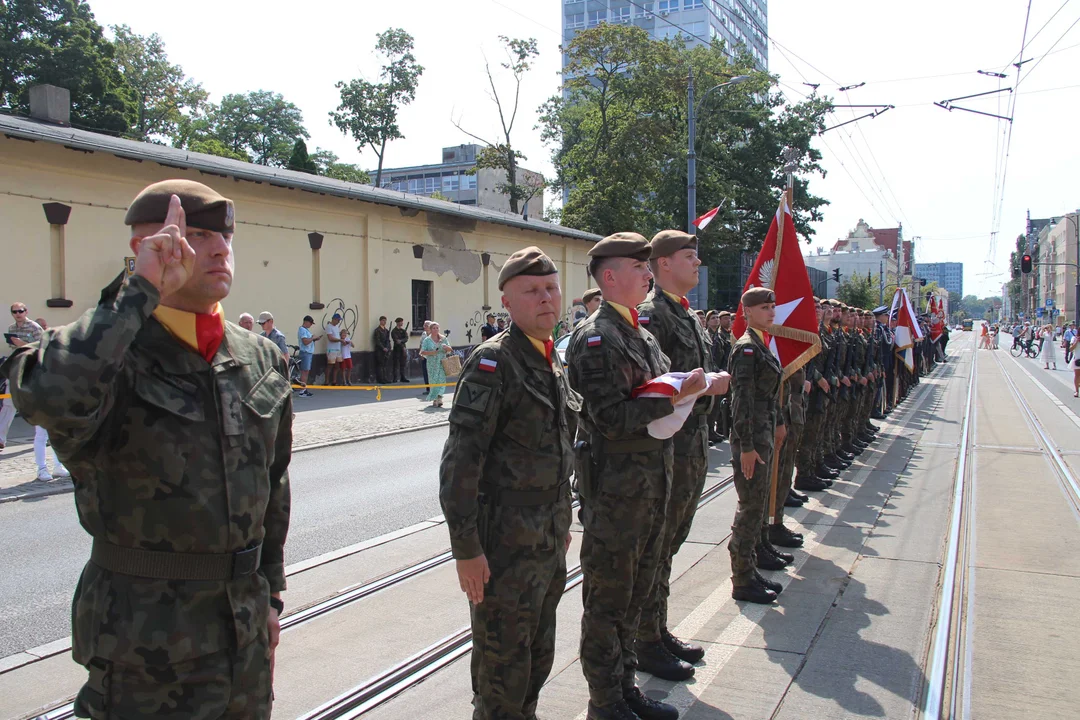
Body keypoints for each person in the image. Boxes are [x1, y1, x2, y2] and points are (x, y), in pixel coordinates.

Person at [1, 180, 291, 719]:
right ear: (146, 247)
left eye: (226, 235)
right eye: (198, 235)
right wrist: (137, 292)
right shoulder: (108, 350)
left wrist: (270, 593)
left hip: (243, 633)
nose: (220, 248)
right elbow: (48, 396)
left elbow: (273, 483)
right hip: (146, 647)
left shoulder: (262, 358)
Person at [568, 232, 719, 720]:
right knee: (609, 601)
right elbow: (609, 415)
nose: (648, 275)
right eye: (639, 269)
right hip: (616, 489)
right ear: (610, 276)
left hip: (653, 482)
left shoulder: (642, 333)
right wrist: (675, 396)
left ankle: (626, 686)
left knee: (636, 592)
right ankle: (605, 700)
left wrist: (689, 389)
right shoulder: (596, 337)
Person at [440, 247, 578, 720]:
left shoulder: (550, 359)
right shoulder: (493, 363)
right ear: (507, 302)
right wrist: (465, 549)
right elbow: (459, 466)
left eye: (551, 288)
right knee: (503, 670)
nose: (546, 299)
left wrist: (562, 521)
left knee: (539, 657)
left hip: (546, 536)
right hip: (502, 544)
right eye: (532, 291)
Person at [635, 230, 730, 683]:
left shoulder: (686, 316)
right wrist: (708, 385)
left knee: (670, 544)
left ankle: (657, 627)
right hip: (669, 446)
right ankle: (645, 639)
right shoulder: (653, 316)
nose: (697, 264)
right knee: (656, 546)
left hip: (693, 444)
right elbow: (658, 385)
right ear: (663, 264)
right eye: (689, 257)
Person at [728, 287, 786, 605]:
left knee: (758, 505)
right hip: (751, 441)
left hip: (762, 436)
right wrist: (747, 446)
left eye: (772, 307)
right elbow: (742, 401)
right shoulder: (747, 349)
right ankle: (741, 578)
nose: (771, 312)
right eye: (764, 307)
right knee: (749, 508)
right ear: (747, 311)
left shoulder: (763, 344)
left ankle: (749, 568)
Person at [420, 322, 453, 407]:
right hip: (432, 364)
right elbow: (422, 352)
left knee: (441, 380)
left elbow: (450, 349)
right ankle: (435, 398)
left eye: (437, 328)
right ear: (430, 329)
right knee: (434, 381)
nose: (436, 330)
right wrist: (432, 352)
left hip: (441, 362)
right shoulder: (427, 340)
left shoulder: (443, 338)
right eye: (434, 328)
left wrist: (447, 348)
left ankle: (440, 398)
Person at [297, 315, 320, 397]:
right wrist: (313, 338)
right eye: (310, 323)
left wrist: (314, 338)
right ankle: (302, 390)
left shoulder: (306, 330)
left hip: (308, 353)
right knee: (304, 371)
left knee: (306, 371)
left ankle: (304, 389)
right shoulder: (302, 330)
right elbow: (305, 342)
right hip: (305, 352)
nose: (311, 325)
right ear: (306, 322)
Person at [325, 313, 343, 386]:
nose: (338, 322)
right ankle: (326, 381)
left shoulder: (337, 327)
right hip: (331, 349)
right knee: (330, 365)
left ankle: (334, 381)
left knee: (337, 366)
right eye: (338, 320)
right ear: (334, 319)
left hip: (337, 349)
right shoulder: (329, 327)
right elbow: (330, 338)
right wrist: (340, 340)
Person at [372, 316, 391, 384]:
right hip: (379, 350)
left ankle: (385, 378)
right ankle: (380, 379)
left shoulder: (386, 330)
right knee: (380, 365)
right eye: (383, 320)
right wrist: (383, 347)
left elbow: (388, 340)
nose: (384, 322)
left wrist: (388, 348)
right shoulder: (377, 330)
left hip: (385, 350)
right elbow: (377, 341)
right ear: (380, 321)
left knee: (384, 365)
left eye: (385, 320)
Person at [391, 317, 410, 382]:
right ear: (398, 322)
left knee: (403, 363)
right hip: (397, 349)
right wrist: (401, 341)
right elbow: (396, 340)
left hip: (403, 348)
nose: (402, 323)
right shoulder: (394, 331)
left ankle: (403, 377)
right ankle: (395, 378)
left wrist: (401, 341)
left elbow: (406, 338)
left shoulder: (403, 330)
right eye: (401, 322)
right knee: (396, 364)